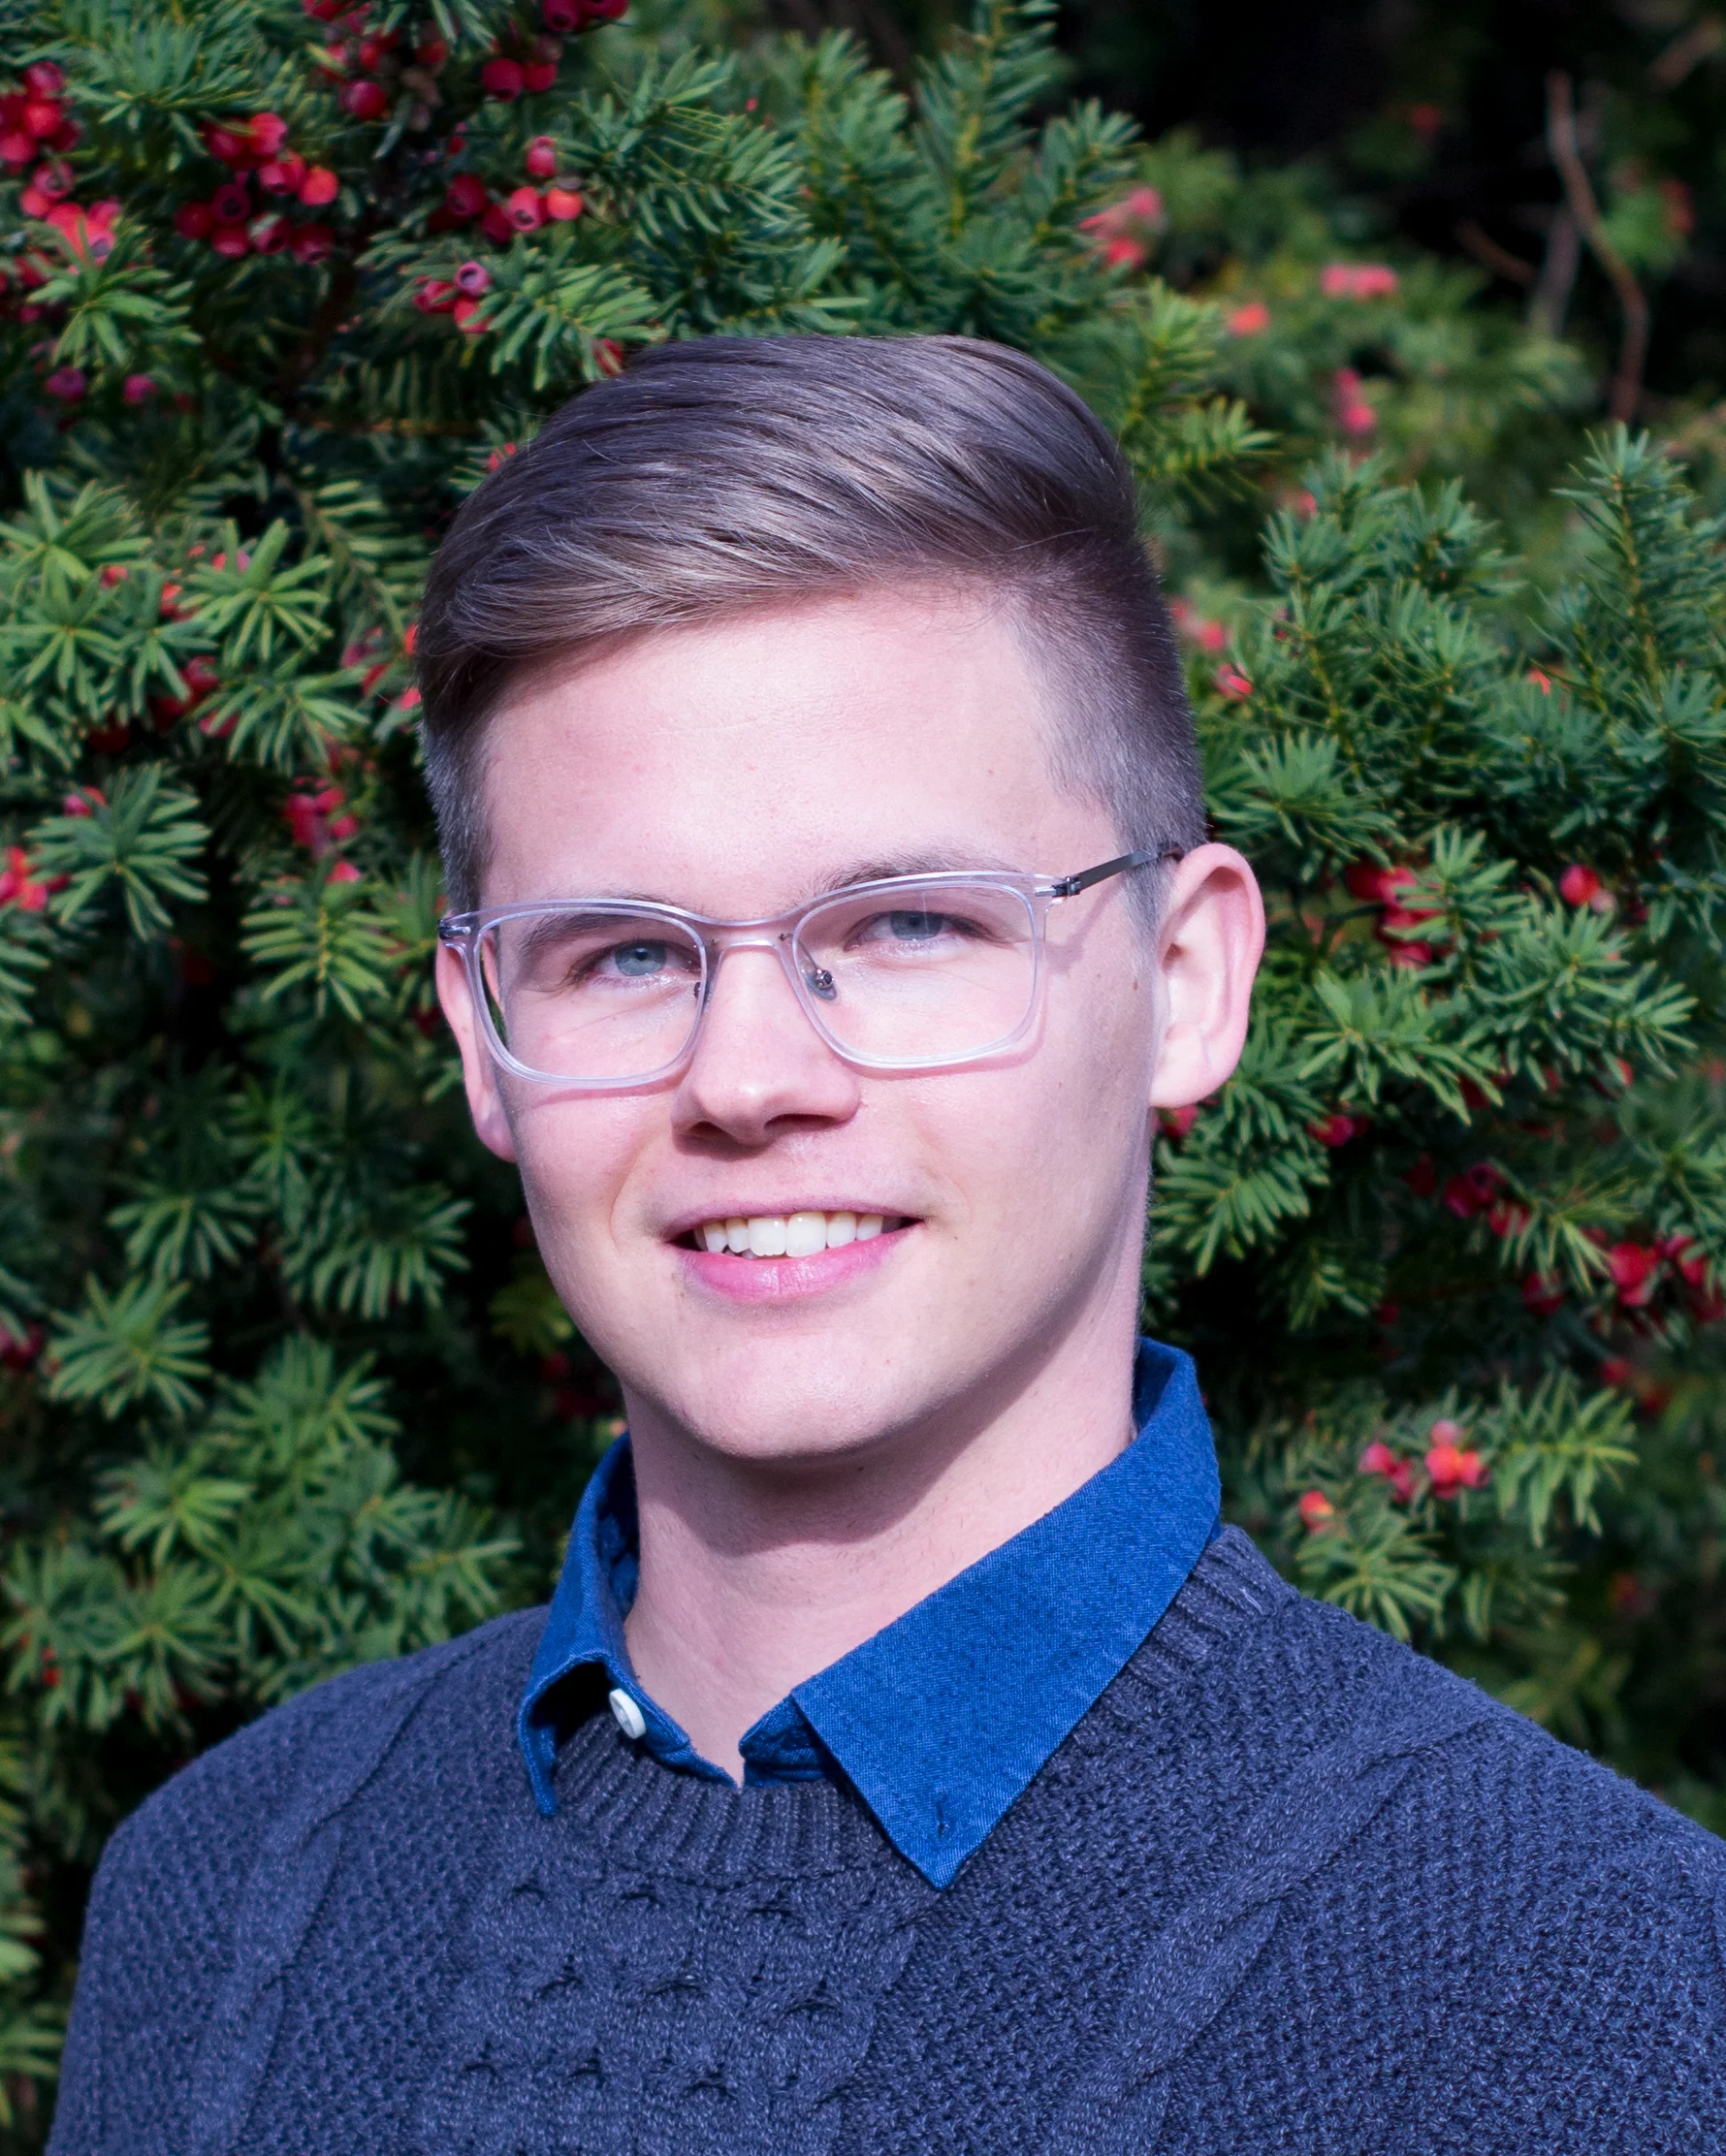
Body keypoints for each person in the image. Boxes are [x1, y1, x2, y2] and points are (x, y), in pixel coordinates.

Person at [49, 334, 1725, 2155]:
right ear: (483, 1038)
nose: (749, 1079)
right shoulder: (221, 1902)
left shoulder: (1568, 1988)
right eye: (625, 954)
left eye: (910, 925)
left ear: (1185, 981)